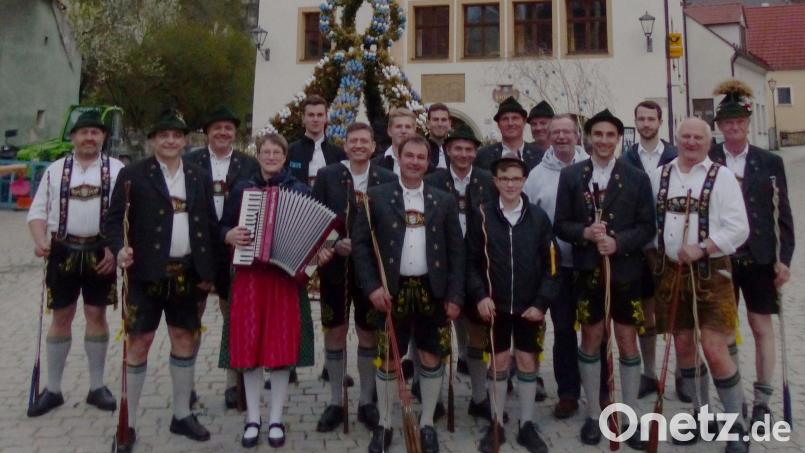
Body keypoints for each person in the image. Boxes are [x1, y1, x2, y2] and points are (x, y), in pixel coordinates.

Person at [106, 110, 219, 451]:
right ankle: (128, 423)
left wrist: (210, 273)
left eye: (177, 135)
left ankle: (182, 414)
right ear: (153, 140)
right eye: (164, 135)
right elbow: (113, 221)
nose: (171, 140)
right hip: (145, 274)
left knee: (184, 338)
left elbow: (210, 226)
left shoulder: (198, 176)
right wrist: (120, 248)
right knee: (138, 343)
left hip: (187, 272)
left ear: (185, 141)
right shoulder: (132, 175)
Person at [353, 136, 464, 453]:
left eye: (422, 157)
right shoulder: (375, 197)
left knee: (430, 355)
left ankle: (427, 422)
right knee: (389, 359)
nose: (415, 162)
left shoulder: (443, 200)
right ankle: (385, 423)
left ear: (429, 162)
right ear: (398, 158)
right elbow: (360, 247)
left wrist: (455, 295)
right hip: (390, 291)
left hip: (432, 290)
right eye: (409, 156)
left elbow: (457, 251)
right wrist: (372, 286)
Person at [221, 132, 332, 448]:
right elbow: (222, 226)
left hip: (284, 279)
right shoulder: (243, 188)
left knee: (281, 349)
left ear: (285, 157)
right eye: (265, 152)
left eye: (276, 153)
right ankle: (253, 417)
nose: (271, 157)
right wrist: (229, 235)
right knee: (250, 348)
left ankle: (276, 419)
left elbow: (317, 233)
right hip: (250, 276)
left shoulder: (298, 189)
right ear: (259, 155)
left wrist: (317, 254)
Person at [554, 109, 656, 449]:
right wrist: (585, 232)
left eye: (610, 135)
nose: (603, 141)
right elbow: (560, 224)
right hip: (587, 271)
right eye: (597, 134)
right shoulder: (572, 176)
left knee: (627, 340)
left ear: (618, 138)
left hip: (625, 271)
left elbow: (647, 227)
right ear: (588, 137)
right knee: (591, 339)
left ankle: (630, 415)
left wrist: (618, 242)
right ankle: (594, 413)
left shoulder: (636, 177)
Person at [651, 118, 750, 452]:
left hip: (712, 273)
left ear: (709, 142)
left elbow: (739, 228)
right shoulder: (662, 174)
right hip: (672, 274)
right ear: (676, 139)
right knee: (683, 346)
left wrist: (703, 247)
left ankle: (737, 425)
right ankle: (700, 414)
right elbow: (652, 222)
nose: (691, 142)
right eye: (686, 136)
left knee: (714, 347)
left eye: (698, 137)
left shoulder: (721, 177)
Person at [708, 79, 794, 430]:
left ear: (746, 124)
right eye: (727, 124)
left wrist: (784, 259)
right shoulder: (708, 159)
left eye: (739, 123)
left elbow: (783, 215)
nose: (734, 129)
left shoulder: (769, 161)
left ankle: (762, 399)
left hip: (759, 258)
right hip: (722, 258)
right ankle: (733, 396)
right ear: (720, 127)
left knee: (761, 328)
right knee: (725, 330)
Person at [26, 110, 124, 417]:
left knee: (97, 315)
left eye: (96, 132)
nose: (89, 137)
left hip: (101, 253)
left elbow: (128, 214)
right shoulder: (55, 170)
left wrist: (116, 248)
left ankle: (97, 387)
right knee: (61, 317)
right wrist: (41, 240)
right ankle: (53, 389)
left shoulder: (118, 169)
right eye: (84, 132)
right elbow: (37, 212)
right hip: (63, 251)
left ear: (103, 137)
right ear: (73, 137)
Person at [467, 157, 557, 453]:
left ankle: (527, 423)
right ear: (495, 182)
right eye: (504, 179)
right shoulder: (481, 216)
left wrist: (541, 303)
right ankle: (497, 422)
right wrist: (480, 295)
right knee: (500, 361)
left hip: (530, 306)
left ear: (523, 181)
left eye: (516, 179)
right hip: (496, 305)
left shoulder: (538, 218)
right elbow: (470, 262)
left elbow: (551, 266)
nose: (510, 184)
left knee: (528, 361)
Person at [312, 122, 397, 433]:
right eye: (353, 141)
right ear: (345, 145)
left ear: (373, 146)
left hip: (371, 272)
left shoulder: (386, 178)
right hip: (335, 269)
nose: (359, 145)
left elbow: (390, 225)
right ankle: (336, 400)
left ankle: (366, 400)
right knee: (334, 332)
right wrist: (333, 244)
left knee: (367, 333)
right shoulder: (328, 176)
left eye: (365, 140)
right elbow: (313, 217)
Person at [183, 105, 258, 409]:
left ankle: (232, 381)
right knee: (191, 318)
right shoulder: (190, 162)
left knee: (233, 317)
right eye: (217, 128)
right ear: (207, 133)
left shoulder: (248, 164)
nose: (223, 133)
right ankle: (185, 385)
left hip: (234, 248)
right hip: (199, 248)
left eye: (228, 128)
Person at [424, 124, 495, 420]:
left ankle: (479, 397)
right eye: (457, 149)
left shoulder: (488, 181)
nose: (463, 154)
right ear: (447, 150)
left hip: (479, 269)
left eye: (469, 149)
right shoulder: (433, 181)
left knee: (478, 336)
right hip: (443, 269)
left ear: (475, 152)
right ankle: (434, 398)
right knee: (437, 337)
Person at [523, 113, 589, 419]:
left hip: (589, 263)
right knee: (563, 330)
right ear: (548, 136)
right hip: (556, 265)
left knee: (593, 331)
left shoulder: (593, 168)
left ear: (577, 135)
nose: (561, 137)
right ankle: (567, 392)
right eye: (556, 132)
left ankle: (599, 388)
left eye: (567, 132)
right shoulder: (537, 175)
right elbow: (529, 219)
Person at [621, 100, 680, 401]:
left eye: (650, 119)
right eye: (640, 118)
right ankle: (650, 373)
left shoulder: (675, 155)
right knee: (646, 313)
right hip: (639, 248)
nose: (645, 124)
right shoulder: (627, 158)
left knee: (676, 312)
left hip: (671, 248)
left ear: (659, 122)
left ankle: (683, 372)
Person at [286, 95, 346, 187]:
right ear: (303, 118)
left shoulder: (338, 154)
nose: (315, 119)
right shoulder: (289, 151)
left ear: (326, 118)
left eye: (320, 115)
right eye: (311, 115)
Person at [474, 97, 545, 174]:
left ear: (524, 122)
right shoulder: (483, 156)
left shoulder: (541, 156)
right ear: (498, 124)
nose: (510, 123)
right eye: (505, 119)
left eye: (515, 118)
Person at [373, 107, 420, 176]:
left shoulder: (425, 164)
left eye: (408, 127)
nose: (403, 131)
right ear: (389, 131)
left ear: (414, 131)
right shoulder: (374, 165)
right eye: (398, 126)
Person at [426, 103, 452, 170]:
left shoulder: (456, 150)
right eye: (435, 120)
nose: (440, 124)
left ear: (449, 124)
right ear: (428, 124)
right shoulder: (420, 148)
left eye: (443, 120)